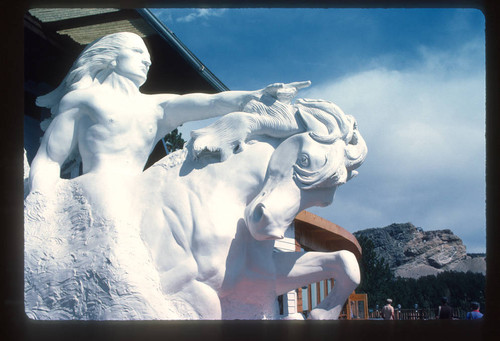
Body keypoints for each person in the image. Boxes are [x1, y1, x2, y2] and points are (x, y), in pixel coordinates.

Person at [29, 31, 310, 194]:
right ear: (112, 56)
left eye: (147, 56)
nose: (148, 60)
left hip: (137, 194)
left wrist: (256, 95)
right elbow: (50, 160)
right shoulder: (83, 100)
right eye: (138, 52)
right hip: (96, 193)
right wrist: (41, 204)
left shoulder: (156, 107)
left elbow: (212, 102)